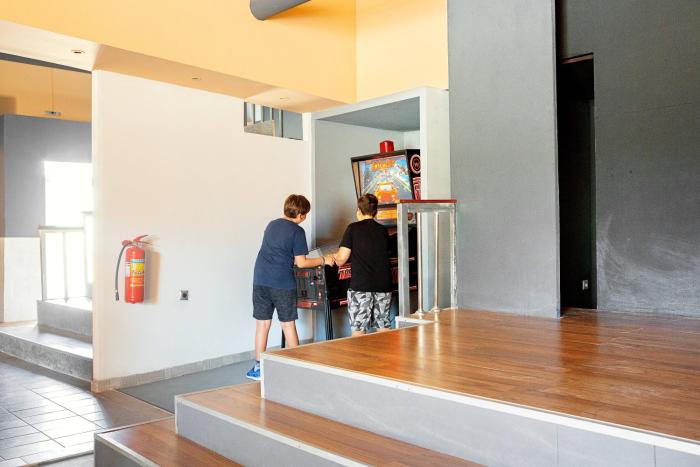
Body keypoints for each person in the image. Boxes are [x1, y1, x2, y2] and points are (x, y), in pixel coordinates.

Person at [246, 194, 334, 381]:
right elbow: (301, 263)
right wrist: (324, 259)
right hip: (281, 283)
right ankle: (296, 366)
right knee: (287, 324)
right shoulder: (297, 231)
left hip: (260, 279)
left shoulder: (272, 224)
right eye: (306, 214)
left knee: (262, 324)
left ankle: (258, 367)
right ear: (301, 215)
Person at [333, 194, 392, 336]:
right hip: (383, 285)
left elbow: (341, 259)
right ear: (376, 212)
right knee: (383, 326)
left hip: (361, 286)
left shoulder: (353, 229)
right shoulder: (383, 230)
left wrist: (332, 256)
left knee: (359, 329)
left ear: (359, 211)